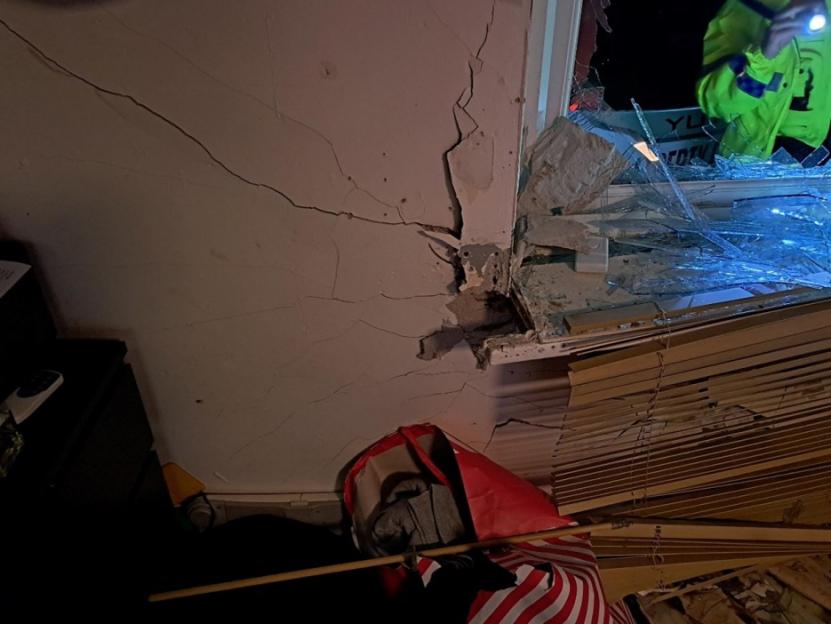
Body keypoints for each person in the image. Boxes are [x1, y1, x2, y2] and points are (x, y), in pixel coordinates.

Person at [697, 0, 831, 163]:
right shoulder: (744, 10)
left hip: (822, 162)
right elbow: (716, 104)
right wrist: (764, 55)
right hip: (756, 164)